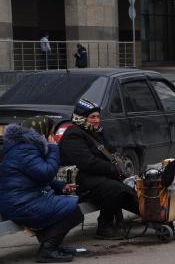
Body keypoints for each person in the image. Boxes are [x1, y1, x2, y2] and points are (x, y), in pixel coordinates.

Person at [0, 116, 83, 263]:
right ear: (42, 133)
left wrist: (60, 186)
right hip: (20, 204)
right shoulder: (25, 150)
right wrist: (53, 148)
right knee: (73, 210)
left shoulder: (23, 146)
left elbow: (36, 176)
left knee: (70, 207)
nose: (51, 136)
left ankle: (52, 246)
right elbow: (46, 172)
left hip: (22, 199)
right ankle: (47, 250)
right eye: (50, 133)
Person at [59, 98, 139, 240]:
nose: (97, 120)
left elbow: (110, 150)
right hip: (78, 180)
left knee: (130, 187)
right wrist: (113, 169)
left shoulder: (94, 132)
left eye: (98, 116)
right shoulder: (73, 134)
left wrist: (117, 164)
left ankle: (153, 213)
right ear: (81, 118)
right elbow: (87, 163)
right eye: (92, 117)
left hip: (94, 177)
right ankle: (104, 227)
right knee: (114, 189)